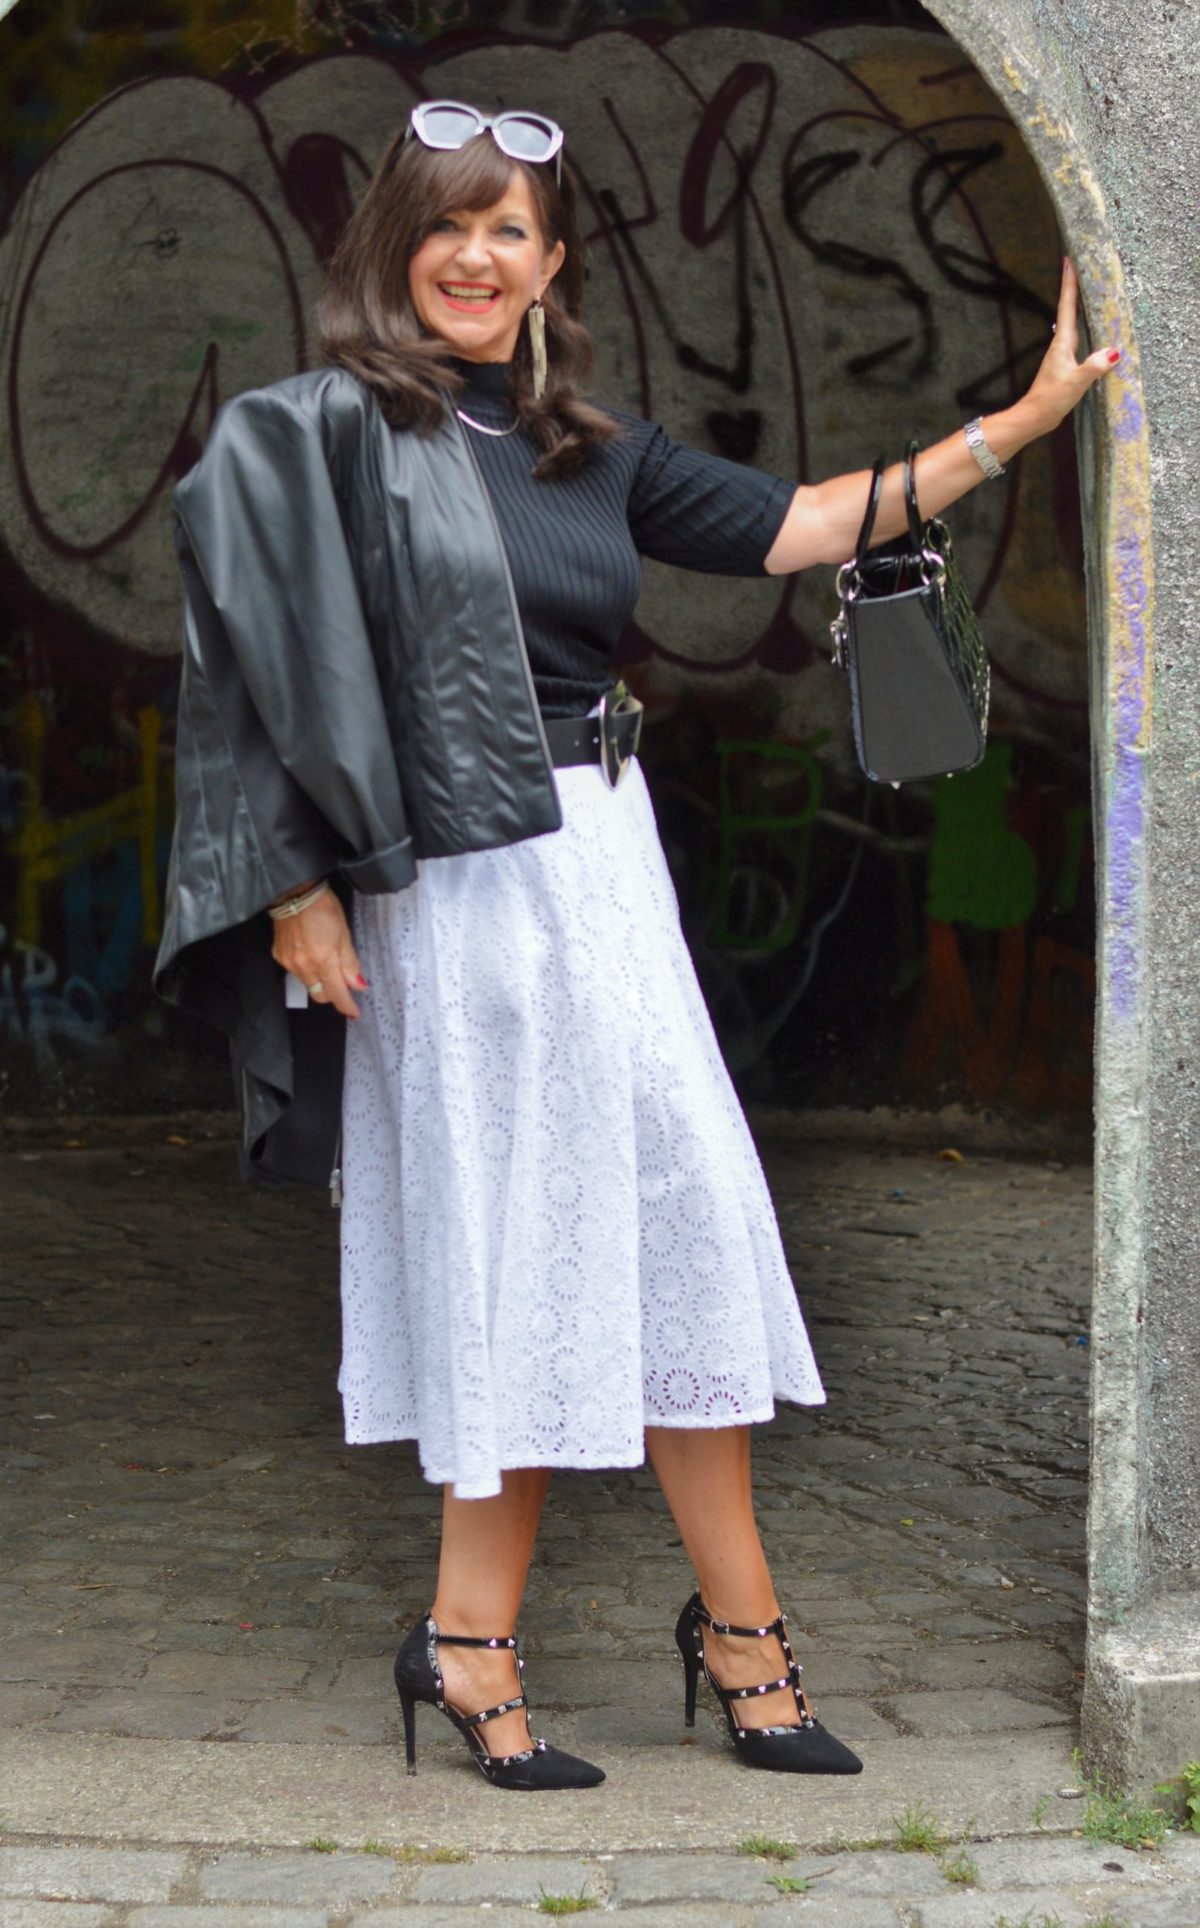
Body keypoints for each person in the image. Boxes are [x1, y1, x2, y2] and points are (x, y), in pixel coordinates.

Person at [155, 99, 1120, 1793]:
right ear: (393, 247)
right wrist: (295, 890)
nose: (475, 255)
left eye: (509, 229)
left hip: (606, 862)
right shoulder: (315, 435)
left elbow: (804, 522)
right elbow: (238, 668)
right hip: (452, 885)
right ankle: (489, 1639)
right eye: (446, 223)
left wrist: (1018, 425)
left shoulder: (586, 448)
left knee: (684, 1219)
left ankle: (725, 1623)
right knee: (519, 1241)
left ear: (552, 266)